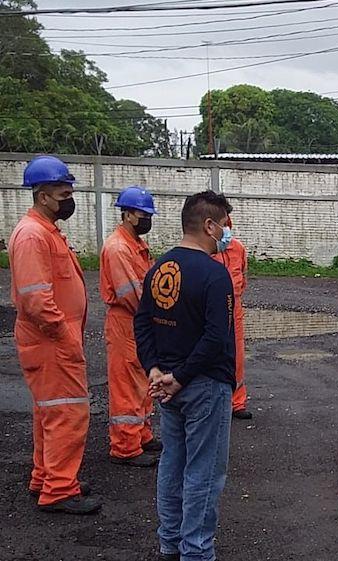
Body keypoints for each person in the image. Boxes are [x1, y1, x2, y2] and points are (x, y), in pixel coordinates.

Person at [134, 190, 236, 561]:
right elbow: (216, 336)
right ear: (209, 225)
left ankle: (171, 542)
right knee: (204, 472)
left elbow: (142, 323)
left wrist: (156, 370)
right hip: (203, 386)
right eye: (225, 224)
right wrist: (180, 376)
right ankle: (196, 550)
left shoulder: (158, 268)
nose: (228, 232)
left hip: (168, 388)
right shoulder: (215, 274)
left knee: (173, 463)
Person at [10, 155, 101, 514]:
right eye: (64, 193)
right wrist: (64, 335)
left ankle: (47, 477)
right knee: (67, 414)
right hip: (51, 342)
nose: (69, 199)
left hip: (51, 341)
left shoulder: (46, 231)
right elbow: (35, 297)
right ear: (43, 195)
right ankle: (60, 490)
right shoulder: (33, 235)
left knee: (49, 414)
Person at [101, 186, 160, 468]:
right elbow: (133, 294)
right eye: (142, 214)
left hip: (138, 322)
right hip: (127, 321)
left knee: (142, 379)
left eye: (148, 214)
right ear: (127, 214)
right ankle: (125, 446)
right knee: (126, 383)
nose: (146, 219)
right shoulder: (119, 248)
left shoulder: (135, 244)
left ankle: (142, 434)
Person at [212, 210, 251, 420]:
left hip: (234, 307)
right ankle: (217, 401)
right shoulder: (207, 250)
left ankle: (237, 402)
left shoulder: (238, 248)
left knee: (237, 356)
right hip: (212, 306)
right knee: (213, 353)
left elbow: (243, 277)